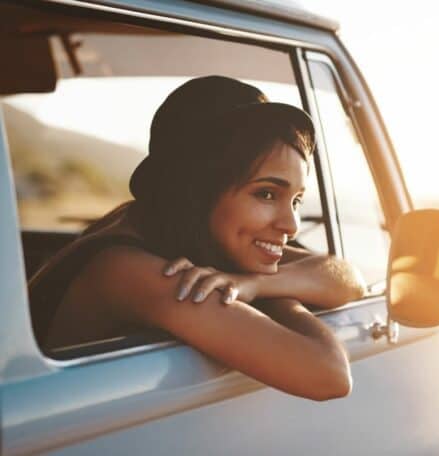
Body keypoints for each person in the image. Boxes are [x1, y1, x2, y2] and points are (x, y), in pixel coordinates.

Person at [27, 75, 366, 400]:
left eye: (296, 200)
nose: (290, 225)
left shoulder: (178, 230)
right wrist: (276, 291)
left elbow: (349, 278)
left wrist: (255, 285)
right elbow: (329, 373)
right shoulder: (129, 269)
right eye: (265, 194)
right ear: (197, 190)